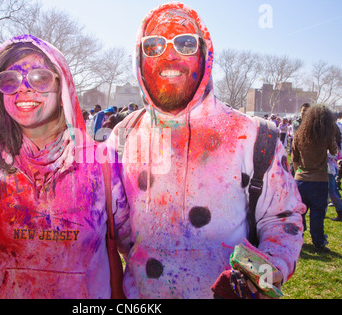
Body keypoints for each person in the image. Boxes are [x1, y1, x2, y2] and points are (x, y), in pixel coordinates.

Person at [106, 2, 305, 299]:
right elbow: (117, 228)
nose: (169, 54)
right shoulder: (123, 138)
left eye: (185, 43)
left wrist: (266, 271)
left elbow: (281, 219)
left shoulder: (253, 136)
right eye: (153, 45)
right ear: (139, 58)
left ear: (205, 54)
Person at [0, 34, 128, 299]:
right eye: (9, 80)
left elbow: (137, 252)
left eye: (40, 78)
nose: (23, 88)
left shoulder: (102, 164)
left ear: (62, 85)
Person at [292, 105, 338, 252]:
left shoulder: (299, 134)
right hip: (320, 180)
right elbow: (334, 151)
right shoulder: (326, 135)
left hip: (301, 178)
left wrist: (298, 171)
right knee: (318, 213)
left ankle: (298, 236)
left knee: (299, 212)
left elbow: (294, 157)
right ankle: (318, 241)